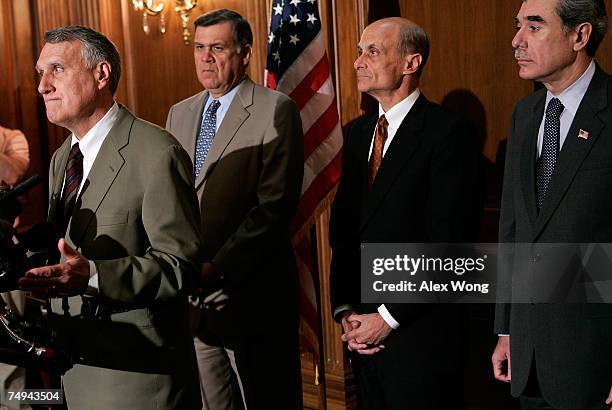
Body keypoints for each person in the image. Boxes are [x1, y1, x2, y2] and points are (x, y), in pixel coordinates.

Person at [18, 26, 202, 409]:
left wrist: (95, 275)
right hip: (74, 368)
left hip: (137, 377)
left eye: (56, 69)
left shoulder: (156, 151)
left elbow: (180, 266)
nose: (42, 87)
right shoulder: (61, 159)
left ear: (101, 74)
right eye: (40, 73)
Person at [329, 17, 481, 410]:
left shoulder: (448, 134)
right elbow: (345, 231)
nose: (359, 61)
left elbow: (449, 247)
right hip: (361, 333)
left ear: (411, 63)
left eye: (373, 52)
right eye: (360, 51)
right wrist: (346, 309)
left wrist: (387, 317)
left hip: (419, 338)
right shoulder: (359, 133)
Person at [166, 9, 304, 410]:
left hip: (252, 297)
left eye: (218, 48)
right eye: (199, 47)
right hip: (194, 304)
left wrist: (217, 267)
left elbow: (273, 207)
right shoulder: (180, 112)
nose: (205, 57)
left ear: (244, 54)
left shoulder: (276, 108)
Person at [491, 1, 612, 409]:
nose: (516, 40)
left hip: (596, 363)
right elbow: (513, 230)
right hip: (530, 359)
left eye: (535, 26)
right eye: (518, 25)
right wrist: (506, 329)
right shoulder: (524, 115)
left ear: (579, 36)